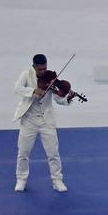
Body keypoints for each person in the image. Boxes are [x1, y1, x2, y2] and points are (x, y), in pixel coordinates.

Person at [13, 54, 69, 192]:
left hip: (46, 121)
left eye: (45, 68)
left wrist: (67, 98)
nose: (43, 72)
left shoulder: (51, 78)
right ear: (34, 67)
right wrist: (33, 90)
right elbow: (17, 88)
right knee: (23, 152)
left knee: (53, 153)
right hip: (29, 120)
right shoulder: (26, 74)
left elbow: (58, 99)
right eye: (40, 70)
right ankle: (21, 179)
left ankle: (57, 181)